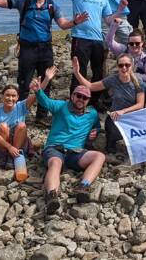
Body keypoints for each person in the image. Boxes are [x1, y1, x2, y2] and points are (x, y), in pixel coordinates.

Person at [0, 0, 85, 121]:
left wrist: (75, 22)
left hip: (45, 49)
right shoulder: (23, 1)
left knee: (46, 83)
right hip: (27, 49)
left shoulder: (51, 5)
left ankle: (41, 117)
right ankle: (19, 116)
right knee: (24, 83)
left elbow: (62, 24)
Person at [33, 67, 103, 213]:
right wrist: (39, 88)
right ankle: (52, 195)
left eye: (84, 98)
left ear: (88, 100)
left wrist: (94, 132)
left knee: (99, 156)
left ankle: (82, 186)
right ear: (72, 96)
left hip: (75, 152)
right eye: (78, 96)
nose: (81, 99)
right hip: (55, 148)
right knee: (55, 163)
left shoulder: (92, 114)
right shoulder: (61, 106)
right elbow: (44, 100)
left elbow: (96, 127)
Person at [51, 0, 113, 104]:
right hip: (80, 38)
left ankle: (94, 103)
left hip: (97, 40)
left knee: (98, 71)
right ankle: (75, 102)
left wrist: (121, 10)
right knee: (79, 71)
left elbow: (109, 19)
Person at [72, 54, 145, 154]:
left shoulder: (138, 81)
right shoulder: (112, 80)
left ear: (131, 65)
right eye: (121, 65)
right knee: (112, 139)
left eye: (127, 65)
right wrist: (76, 73)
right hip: (115, 117)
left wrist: (123, 111)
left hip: (132, 117)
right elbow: (91, 86)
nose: (124, 68)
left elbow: (140, 104)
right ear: (117, 66)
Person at [0, 84, 38, 170]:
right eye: (7, 95)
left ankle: (13, 157)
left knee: (21, 125)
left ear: (17, 97)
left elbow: (37, 95)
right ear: (2, 96)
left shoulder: (21, 106)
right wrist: (9, 147)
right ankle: (7, 156)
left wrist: (46, 80)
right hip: (2, 148)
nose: (10, 98)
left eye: (13, 96)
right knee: (3, 126)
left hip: (18, 145)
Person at [106, 11, 146, 93]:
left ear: (142, 43)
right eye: (131, 43)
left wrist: (132, 76)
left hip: (139, 86)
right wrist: (114, 25)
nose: (134, 46)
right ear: (128, 43)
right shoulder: (123, 50)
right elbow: (109, 42)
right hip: (123, 84)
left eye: (137, 43)